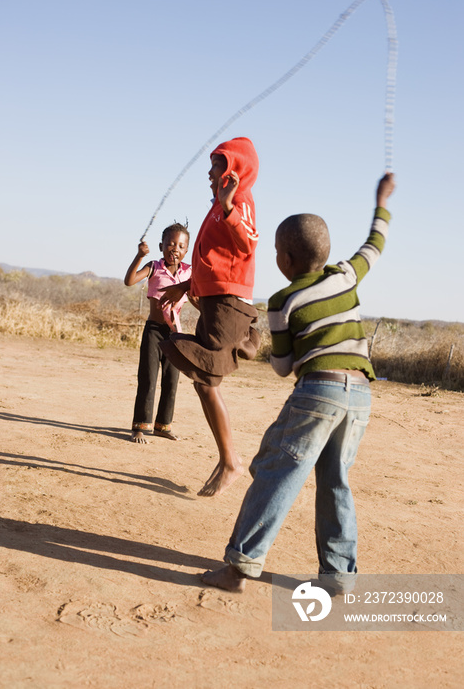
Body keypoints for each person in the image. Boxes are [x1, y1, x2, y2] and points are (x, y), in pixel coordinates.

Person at [202, 172, 396, 593]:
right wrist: (381, 201)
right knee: (335, 480)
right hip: (360, 394)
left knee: (276, 470)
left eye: (275, 251)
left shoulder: (282, 301)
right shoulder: (346, 275)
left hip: (318, 391)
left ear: (285, 260)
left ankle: (240, 567)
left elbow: (284, 367)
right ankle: (340, 576)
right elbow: (375, 245)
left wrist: (256, 344)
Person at [159, 137, 261, 497]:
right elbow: (212, 260)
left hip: (228, 304)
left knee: (205, 380)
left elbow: (249, 242)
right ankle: (227, 459)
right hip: (215, 304)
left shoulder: (239, 203)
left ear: (232, 171)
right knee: (204, 383)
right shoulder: (218, 207)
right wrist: (185, 286)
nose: (209, 172)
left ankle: (231, 461)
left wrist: (230, 204)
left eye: (216, 166)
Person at [124, 222, 192, 443]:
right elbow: (129, 281)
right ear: (161, 245)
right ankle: (140, 426)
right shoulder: (154, 267)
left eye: (181, 246)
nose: (175, 249)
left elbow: (199, 296)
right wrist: (139, 256)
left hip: (176, 335)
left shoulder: (190, 273)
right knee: (148, 378)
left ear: (187, 250)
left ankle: (163, 425)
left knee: (171, 381)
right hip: (154, 331)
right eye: (170, 244)